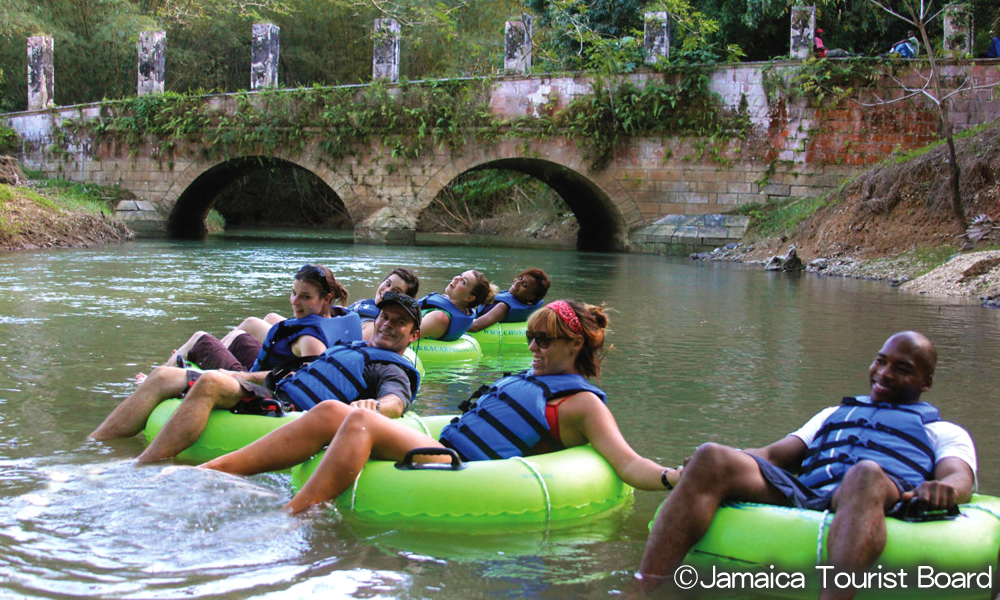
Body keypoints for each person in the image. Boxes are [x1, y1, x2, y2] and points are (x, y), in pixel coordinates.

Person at [200, 300, 678, 514]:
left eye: (544, 340)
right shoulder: (535, 378)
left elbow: (627, 461)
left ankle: (293, 513)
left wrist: (670, 477)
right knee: (329, 411)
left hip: (465, 469)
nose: (533, 347)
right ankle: (216, 471)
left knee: (361, 421)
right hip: (442, 446)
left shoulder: (581, 405)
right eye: (530, 337)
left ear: (575, 344)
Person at [636, 331, 976, 599]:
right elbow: (771, 456)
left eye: (902, 370)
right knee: (711, 453)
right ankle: (641, 589)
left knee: (865, 473)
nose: (884, 374)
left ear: (925, 382)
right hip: (810, 491)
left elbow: (959, 478)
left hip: (875, 496)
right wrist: (709, 462)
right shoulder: (833, 415)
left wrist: (943, 490)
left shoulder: (942, 432)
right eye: (881, 361)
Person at [89, 293, 423, 464]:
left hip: (293, 411)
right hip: (275, 391)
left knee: (208, 384)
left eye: (399, 323)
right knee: (164, 374)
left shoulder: (393, 367)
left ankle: (140, 467)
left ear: (414, 334)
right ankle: (93, 445)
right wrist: (244, 375)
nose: (387, 324)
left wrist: (375, 407)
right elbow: (289, 373)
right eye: (385, 316)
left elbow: (395, 401)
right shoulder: (353, 348)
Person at [163, 265, 352, 372]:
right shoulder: (336, 317)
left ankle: (168, 370)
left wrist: (246, 379)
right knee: (246, 328)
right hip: (273, 368)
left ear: (326, 298)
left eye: (305, 297)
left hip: (253, 386)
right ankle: (193, 357)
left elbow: (310, 381)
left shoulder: (311, 341)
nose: (295, 301)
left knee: (200, 337)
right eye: (294, 293)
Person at [417, 270, 494, 341]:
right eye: (460, 275)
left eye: (463, 282)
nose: (456, 278)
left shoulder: (439, 317)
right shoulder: (465, 312)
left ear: (469, 298)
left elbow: (408, 336)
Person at [468, 268, 551, 333]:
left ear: (530, 297)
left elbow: (476, 326)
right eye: (520, 278)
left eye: (524, 285)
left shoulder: (503, 307)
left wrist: (456, 326)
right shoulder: (522, 304)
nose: (518, 282)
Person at [346, 268, 420, 340]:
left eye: (396, 292)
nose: (387, 290)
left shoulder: (374, 328)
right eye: (388, 284)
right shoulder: (365, 304)